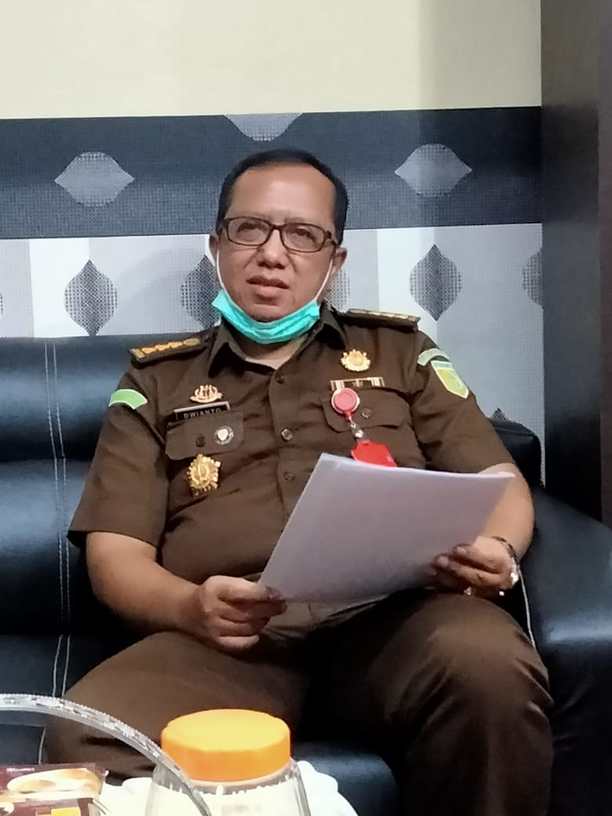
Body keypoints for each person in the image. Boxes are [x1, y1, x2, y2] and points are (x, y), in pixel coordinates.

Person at [47, 149, 552, 816]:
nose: (272, 254)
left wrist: (501, 554)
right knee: (83, 735)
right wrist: (191, 608)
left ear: (334, 260)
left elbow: (498, 479)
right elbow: (115, 553)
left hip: (399, 623)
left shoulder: (401, 353)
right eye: (249, 229)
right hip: (228, 643)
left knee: (489, 668)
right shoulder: (156, 380)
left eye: (302, 235)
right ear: (217, 246)